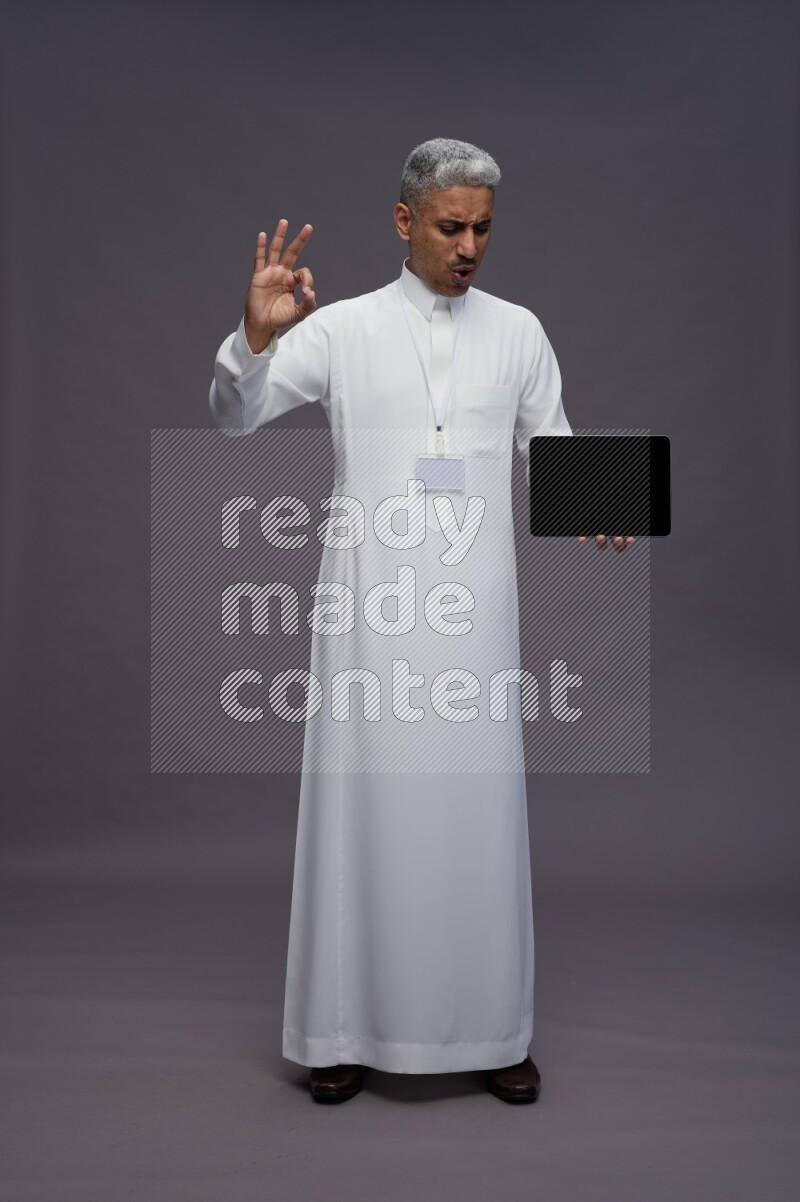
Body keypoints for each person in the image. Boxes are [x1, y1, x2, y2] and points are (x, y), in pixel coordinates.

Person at [209, 138, 633, 1105]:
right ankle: (342, 1032)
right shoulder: (343, 329)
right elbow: (233, 415)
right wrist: (255, 340)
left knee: (477, 817)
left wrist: (608, 498)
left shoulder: (518, 331)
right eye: (451, 227)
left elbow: (553, 448)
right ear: (405, 222)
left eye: (483, 228)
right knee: (364, 811)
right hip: (369, 610)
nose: (469, 246)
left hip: (477, 614)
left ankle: (492, 1031)